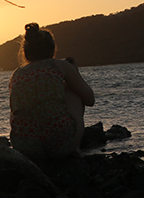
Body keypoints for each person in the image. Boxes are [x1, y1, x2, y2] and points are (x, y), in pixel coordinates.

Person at [9, 23, 95, 160]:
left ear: (25, 53)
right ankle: (75, 146)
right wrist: (74, 73)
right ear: (52, 49)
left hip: (25, 150)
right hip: (60, 145)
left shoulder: (16, 74)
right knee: (71, 90)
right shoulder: (59, 65)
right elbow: (90, 99)